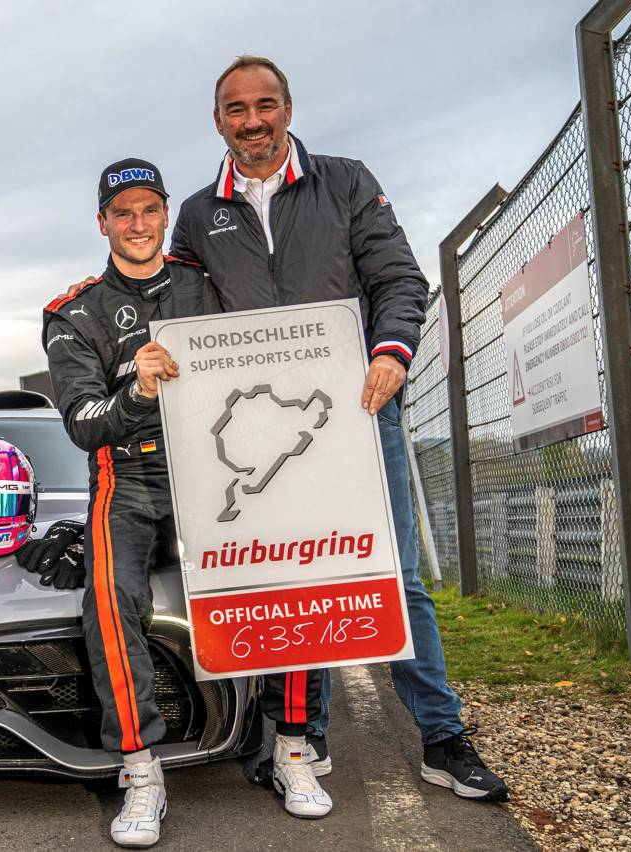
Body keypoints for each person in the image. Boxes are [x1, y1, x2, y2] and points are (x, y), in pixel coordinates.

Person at [166, 55, 508, 803]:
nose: (252, 121)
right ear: (217, 120)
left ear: (287, 108)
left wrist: (392, 353)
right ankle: (304, 729)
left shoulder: (346, 180)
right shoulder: (196, 214)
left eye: (265, 105)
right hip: (259, 429)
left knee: (396, 575)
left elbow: (398, 279)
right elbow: (183, 313)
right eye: (236, 109)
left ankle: (442, 738)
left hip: (357, 413)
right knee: (286, 573)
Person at [42, 158, 228, 847]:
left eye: (150, 209)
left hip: (217, 466)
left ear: (165, 214)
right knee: (109, 598)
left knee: (276, 575)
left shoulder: (206, 287)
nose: (138, 223)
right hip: (129, 473)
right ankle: (140, 769)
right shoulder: (73, 310)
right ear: (103, 223)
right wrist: (139, 392)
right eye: (123, 213)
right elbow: (85, 425)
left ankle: (292, 743)